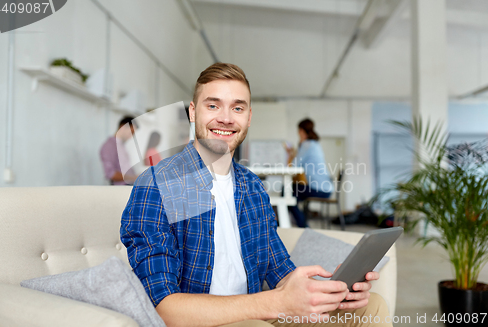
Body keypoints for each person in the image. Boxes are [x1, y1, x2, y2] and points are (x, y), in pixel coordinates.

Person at [120, 63, 391, 327]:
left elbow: (279, 272)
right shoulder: (157, 184)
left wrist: (331, 288)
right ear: (193, 112)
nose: (226, 118)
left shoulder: (252, 186)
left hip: (259, 312)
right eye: (212, 105)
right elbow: (166, 310)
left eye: (237, 108)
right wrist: (275, 303)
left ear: (249, 117)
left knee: (371, 306)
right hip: (202, 321)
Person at [286, 119, 333, 228]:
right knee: (292, 192)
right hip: (326, 188)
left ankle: (303, 226)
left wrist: (290, 154)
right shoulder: (315, 144)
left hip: (319, 189)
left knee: (288, 191)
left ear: (302, 131)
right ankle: (301, 223)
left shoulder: (307, 145)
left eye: (299, 132)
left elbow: (294, 165)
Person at [99, 116, 138, 185]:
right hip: (120, 188)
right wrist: (133, 177)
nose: (131, 136)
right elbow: (110, 174)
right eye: (131, 132)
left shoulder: (121, 145)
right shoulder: (109, 146)